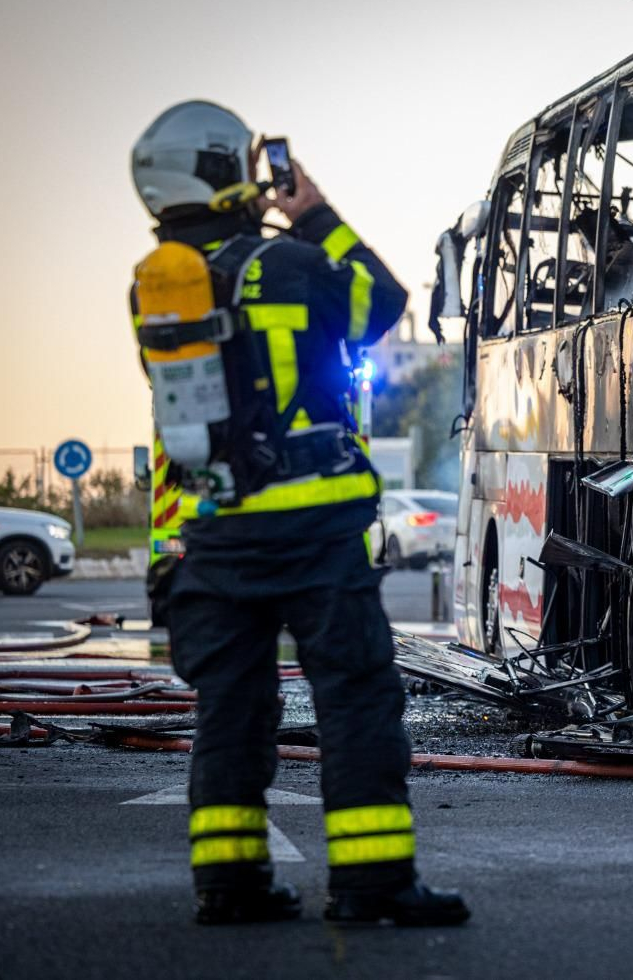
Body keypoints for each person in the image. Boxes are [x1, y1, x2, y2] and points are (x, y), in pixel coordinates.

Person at [129, 100, 469, 927]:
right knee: (354, 701)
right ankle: (371, 885)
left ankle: (230, 885)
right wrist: (311, 211)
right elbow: (385, 303)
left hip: (216, 535)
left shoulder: (158, 289)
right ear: (218, 171)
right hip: (313, 531)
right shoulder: (286, 264)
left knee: (233, 710)